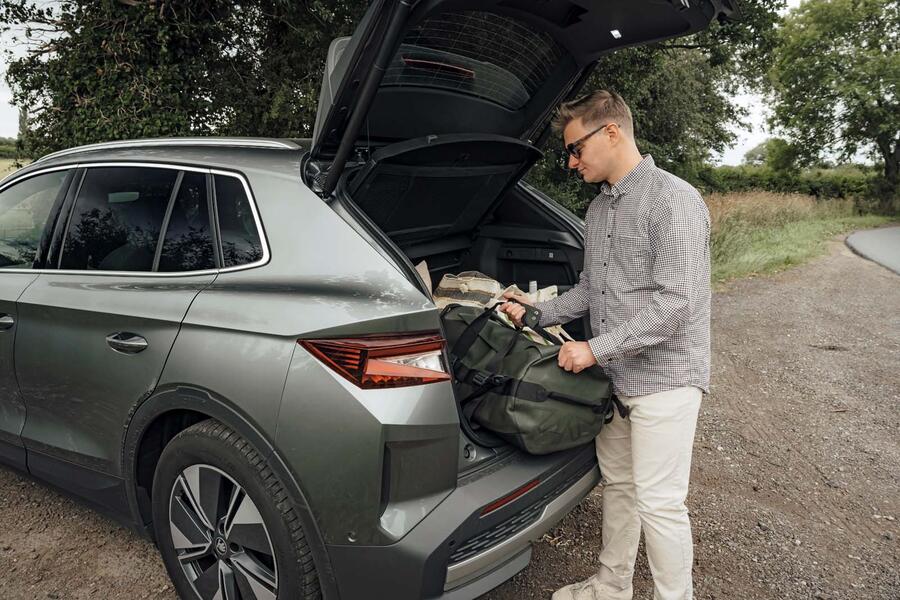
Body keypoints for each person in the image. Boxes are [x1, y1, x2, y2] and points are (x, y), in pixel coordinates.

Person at [500, 90, 711, 600]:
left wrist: (594, 350)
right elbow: (591, 289)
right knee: (619, 488)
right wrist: (536, 312)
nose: (572, 162)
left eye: (576, 149)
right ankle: (611, 587)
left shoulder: (674, 200)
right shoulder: (598, 210)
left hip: (666, 380)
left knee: (660, 504)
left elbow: (676, 304)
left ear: (611, 132)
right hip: (613, 383)